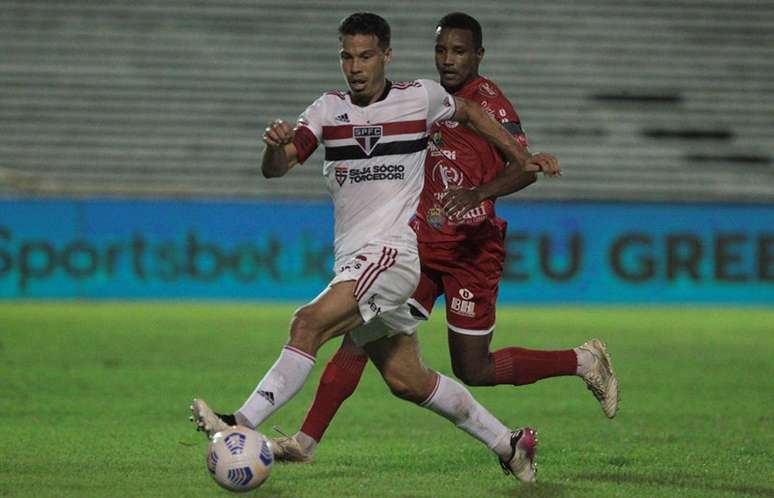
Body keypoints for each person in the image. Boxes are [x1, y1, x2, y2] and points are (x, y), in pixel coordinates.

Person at [190, 12, 560, 483]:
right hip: (354, 258)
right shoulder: (327, 109)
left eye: (366, 56)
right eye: (347, 56)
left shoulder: (418, 98)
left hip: (392, 257)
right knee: (408, 379)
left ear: (386, 56)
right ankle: (510, 445)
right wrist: (274, 147)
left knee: (307, 323)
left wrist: (518, 156)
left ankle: (237, 423)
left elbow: (469, 112)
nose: (356, 66)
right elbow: (278, 166)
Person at [266, 12, 619, 465]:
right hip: (422, 247)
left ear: (478, 55)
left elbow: (523, 169)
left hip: (473, 248)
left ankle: (583, 361)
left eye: (458, 51)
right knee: (360, 333)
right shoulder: (425, 99)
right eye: (440, 50)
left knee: (475, 368)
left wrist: (479, 192)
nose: (447, 60)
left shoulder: (489, 102)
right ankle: (306, 441)